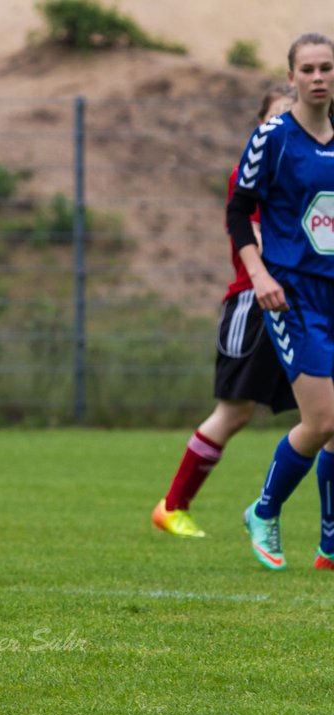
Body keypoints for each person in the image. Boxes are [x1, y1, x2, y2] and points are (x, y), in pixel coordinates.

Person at [152, 86, 296, 538]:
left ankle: (324, 537)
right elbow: (256, 237)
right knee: (234, 413)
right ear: (260, 127)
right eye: (275, 119)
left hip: (306, 306)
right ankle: (172, 507)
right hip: (253, 306)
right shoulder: (250, 174)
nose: (284, 129)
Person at [235, 33, 334, 570]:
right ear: (292, 76)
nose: (319, 77)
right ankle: (264, 511)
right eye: (309, 69)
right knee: (321, 421)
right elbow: (237, 210)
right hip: (294, 294)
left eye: (327, 68)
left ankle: (330, 541)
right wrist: (259, 274)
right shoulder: (272, 137)